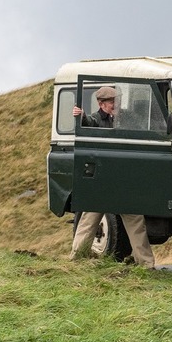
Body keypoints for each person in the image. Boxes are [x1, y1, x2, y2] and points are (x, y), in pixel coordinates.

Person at [70, 86, 156, 269]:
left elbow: (144, 123)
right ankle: (75, 261)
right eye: (112, 102)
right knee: (88, 221)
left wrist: (166, 122)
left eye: (118, 101)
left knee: (136, 222)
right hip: (102, 183)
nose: (116, 105)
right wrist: (80, 116)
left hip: (123, 182)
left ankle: (146, 265)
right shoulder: (95, 119)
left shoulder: (126, 117)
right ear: (101, 104)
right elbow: (88, 124)